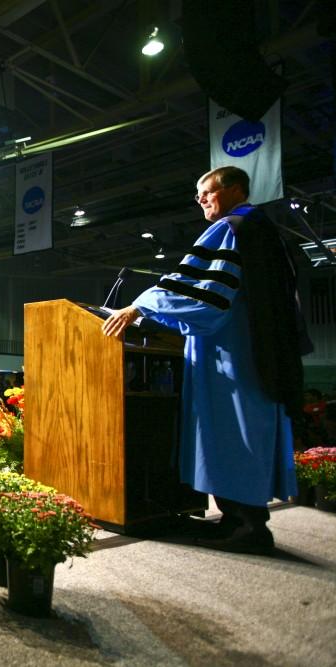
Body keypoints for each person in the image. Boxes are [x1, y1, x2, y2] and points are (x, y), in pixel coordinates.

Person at [102, 165, 309, 555]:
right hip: (255, 350)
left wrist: (140, 304)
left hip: (232, 356)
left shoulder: (233, 227)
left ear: (233, 188)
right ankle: (237, 521)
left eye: (206, 191)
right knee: (244, 434)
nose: (199, 200)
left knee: (233, 435)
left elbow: (208, 297)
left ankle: (247, 526)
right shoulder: (262, 230)